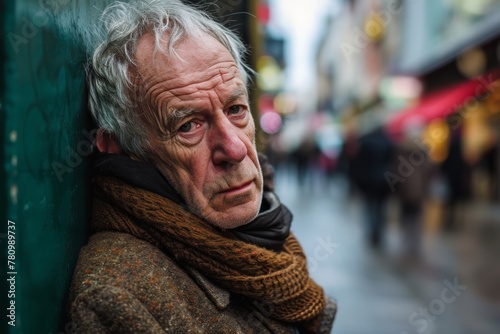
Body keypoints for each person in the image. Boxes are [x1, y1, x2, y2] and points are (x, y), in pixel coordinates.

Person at [67, 1, 336, 333]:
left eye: (236, 108)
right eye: (188, 126)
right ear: (122, 149)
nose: (235, 149)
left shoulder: (268, 238)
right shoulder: (117, 294)